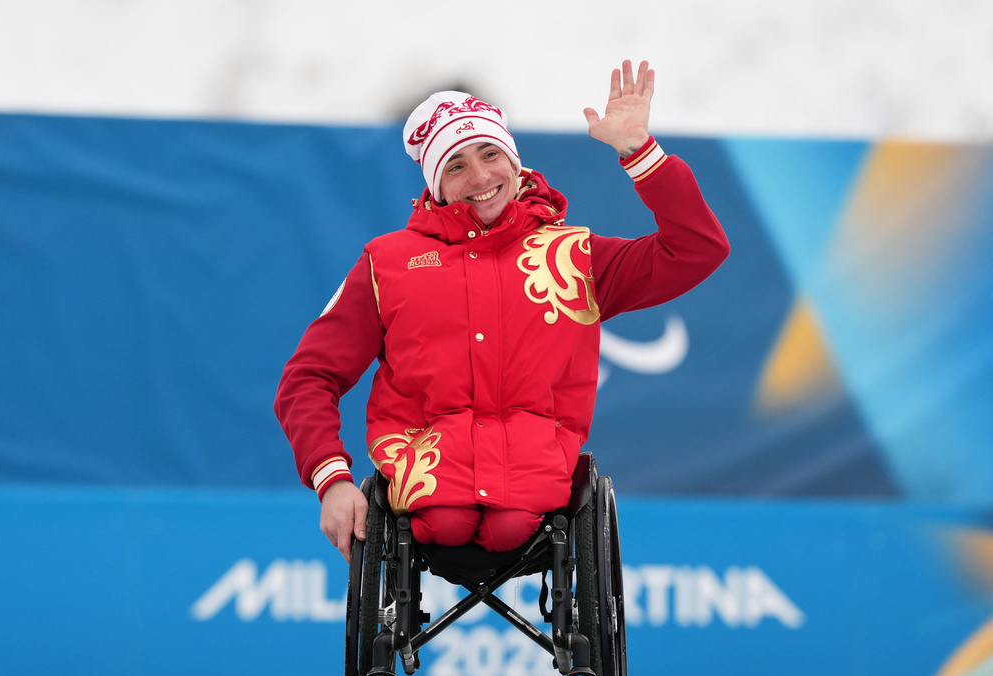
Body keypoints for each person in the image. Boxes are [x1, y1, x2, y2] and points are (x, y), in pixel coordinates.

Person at [275, 60, 729, 562]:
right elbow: (309, 376)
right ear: (435, 185)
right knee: (445, 519)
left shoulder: (574, 257)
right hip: (422, 484)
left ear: (515, 162)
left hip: (536, 486)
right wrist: (331, 480)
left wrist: (638, 152)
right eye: (456, 165)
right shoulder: (389, 263)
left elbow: (697, 249)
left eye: (490, 153)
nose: (480, 176)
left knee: (510, 525)